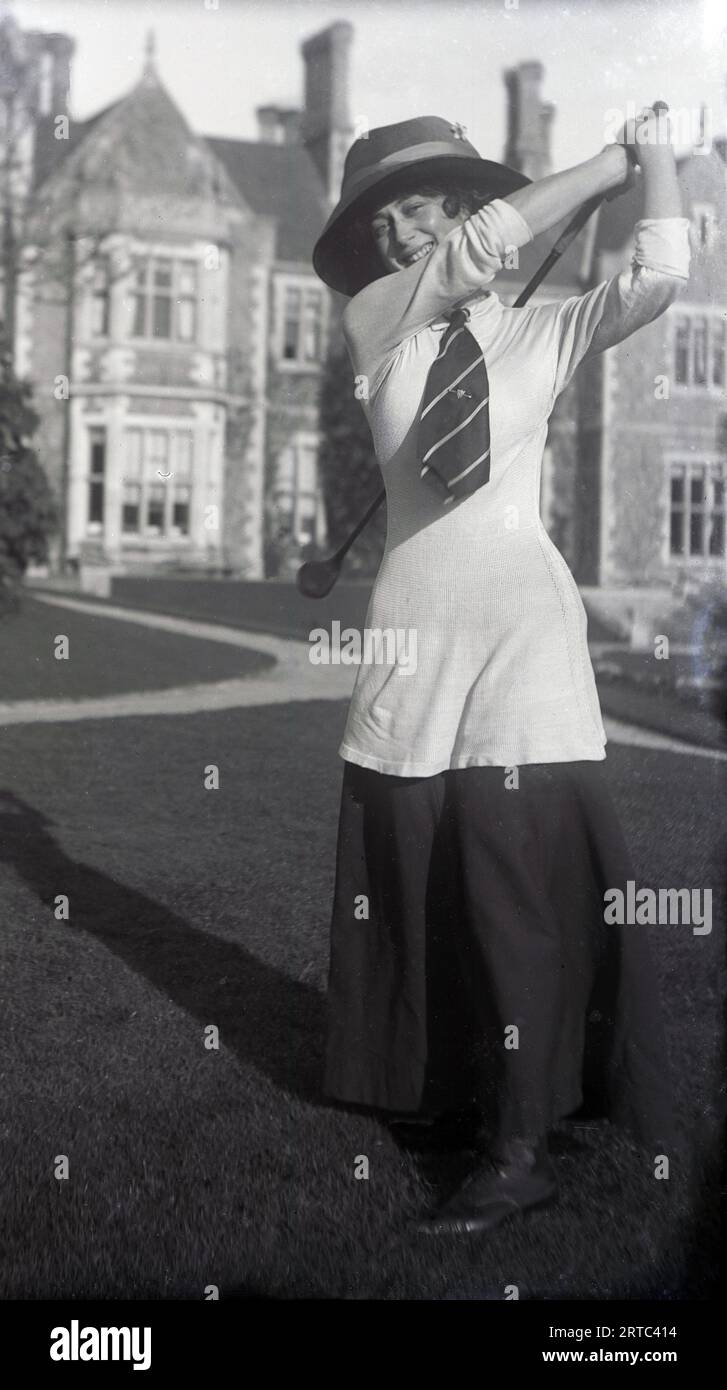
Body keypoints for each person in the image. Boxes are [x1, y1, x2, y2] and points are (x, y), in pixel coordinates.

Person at [311, 109, 690, 1236]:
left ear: (472, 204)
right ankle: (443, 1087)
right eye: (383, 217)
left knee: (515, 894)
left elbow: (662, 272)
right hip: (412, 639)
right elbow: (474, 261)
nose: (400, 231)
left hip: (524, 635)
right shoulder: (375, 323)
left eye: (423, 203)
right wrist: (604, 166)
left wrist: (657, 159)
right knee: (422, 880)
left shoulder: (547, 335)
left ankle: (520, 1149)